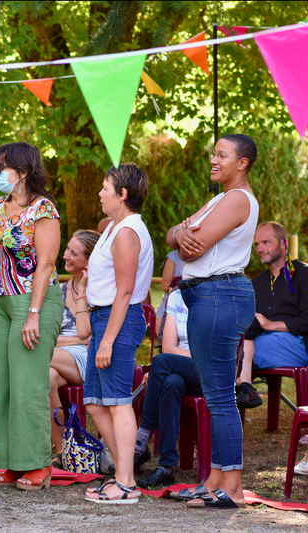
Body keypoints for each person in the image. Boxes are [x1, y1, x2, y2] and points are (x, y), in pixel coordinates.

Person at [165, 133, 258, 508]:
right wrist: (181, 233)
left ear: (243, 163)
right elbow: (174, 237)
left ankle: (231, 486)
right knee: (214, 394)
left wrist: (184, 233)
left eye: (223, 155)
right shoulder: (220, 198)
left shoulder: (237, 198)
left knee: (220, 397)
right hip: (208, 296)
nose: (214, 159)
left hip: (221, 296)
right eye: (214, 153)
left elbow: (193, 243)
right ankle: (213, 479)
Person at [0, 142, 63, 491]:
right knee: (1, 384)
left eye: (4, 166)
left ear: (23, 171)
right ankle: (12, 462)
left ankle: (38, 464)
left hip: (33, 301)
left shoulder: (43, 209)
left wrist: (33, 314)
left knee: (28, 385)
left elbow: (45, 264)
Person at [83, 163, 153, 504]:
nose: (100, 192)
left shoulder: (128, 231)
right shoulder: (114, 227)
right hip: (104, 319)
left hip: (118, 320)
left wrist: (108, 339)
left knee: (117, 402)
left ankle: (126, 484)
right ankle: (122, 473)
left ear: (122, 194)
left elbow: (125, 292)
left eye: (105, 188)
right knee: (96, 403)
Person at [133, 288, 202, 489]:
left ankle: (142, 439)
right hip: (177, 369)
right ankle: (166, 467)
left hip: (209, 372)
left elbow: (209, 353)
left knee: (161, 363)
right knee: (171, 383)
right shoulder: (178, 296)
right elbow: (168, 347)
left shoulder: (214, 293)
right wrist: (177, 359)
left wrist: (174, 359)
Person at [236, 221, 308, 409]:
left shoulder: (303, 275)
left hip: (299, 343)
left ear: (283, 244)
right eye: (257, 244)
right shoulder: (256, 283)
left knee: (231, 354)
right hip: (259, 341)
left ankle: (242, 391)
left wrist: (271, 325)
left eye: (266, 242)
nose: (260, 249)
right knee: (233, 343)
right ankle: (242, 391)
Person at [49, 229, 100, 467]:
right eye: (67, 249)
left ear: (89, 261)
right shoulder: (58, 291)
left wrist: (76, 341)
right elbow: (48, 336)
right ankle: (64, 451)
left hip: (89, 357)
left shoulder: (100, 291)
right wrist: (77, 340)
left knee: (31, 357)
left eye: (74, 253)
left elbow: (92, 339)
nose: (66, 255)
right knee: (46, 377)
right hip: (57, 355)